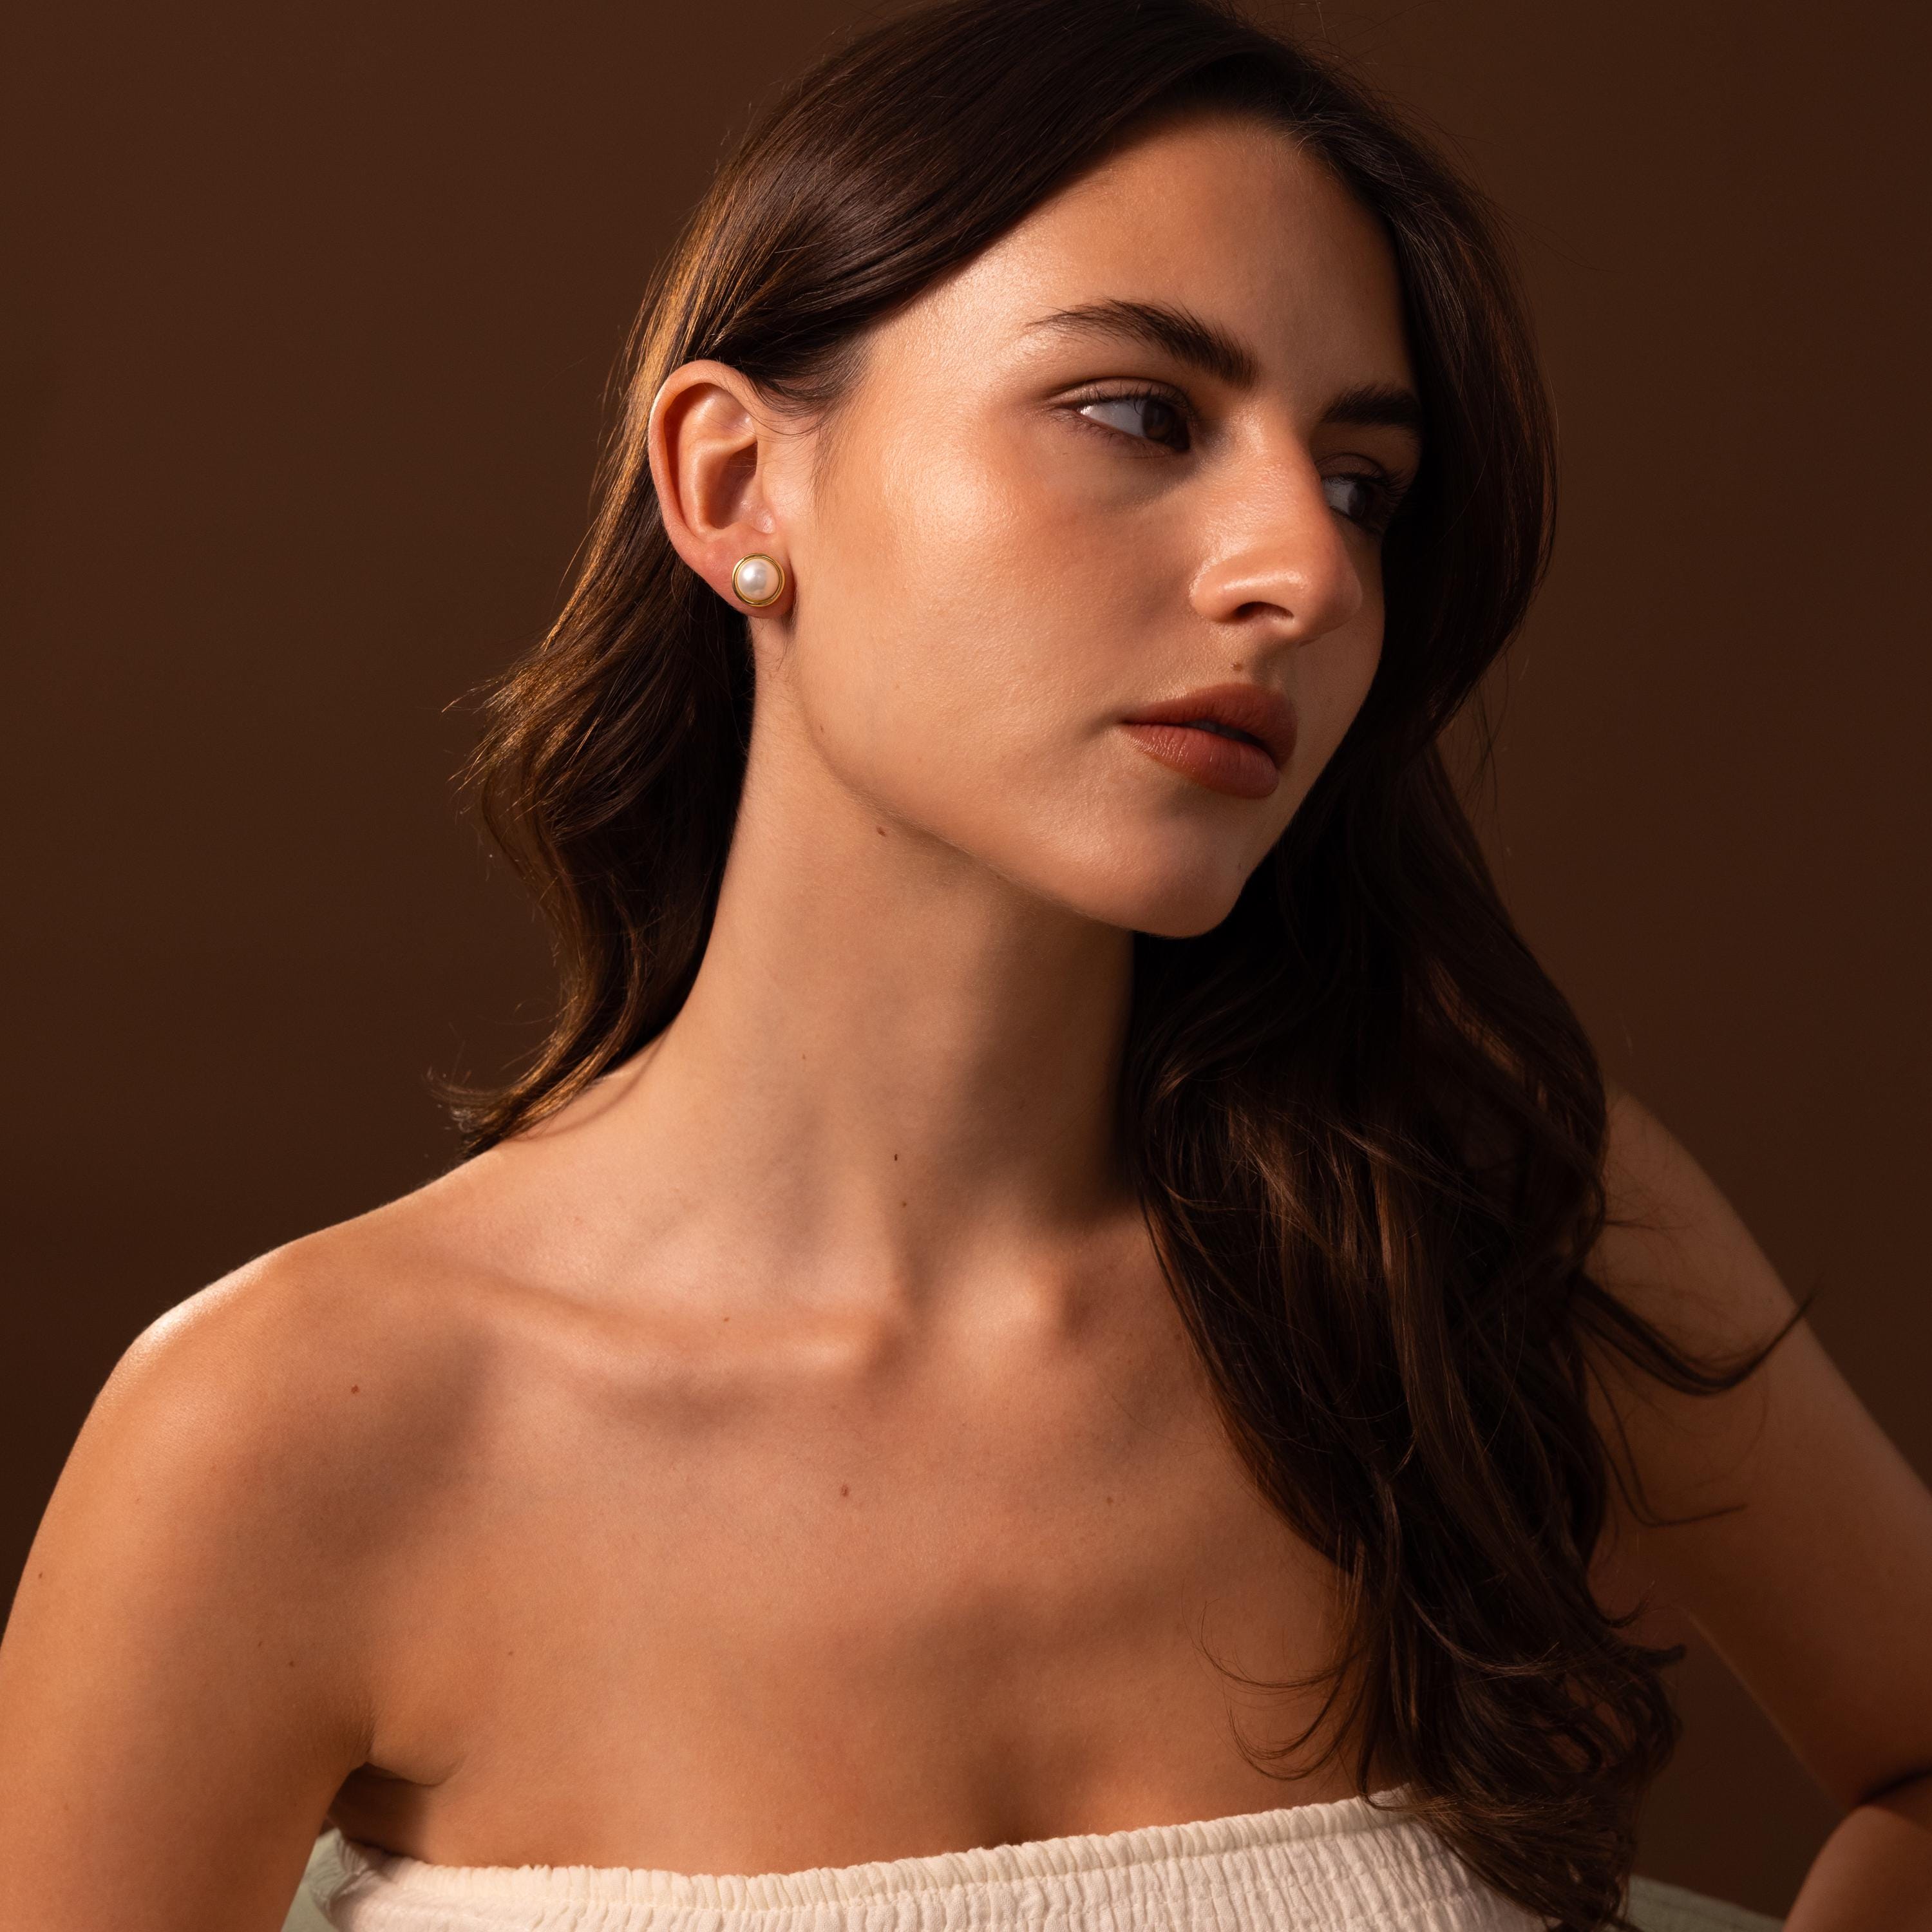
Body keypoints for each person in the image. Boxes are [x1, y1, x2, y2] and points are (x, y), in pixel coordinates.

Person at [3, 1, 1929, 1927]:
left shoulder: (1481, 1226)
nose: (1308, 571)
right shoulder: (283, 1437)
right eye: (1141, 413)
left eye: (1362, 483)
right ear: (736, 488)